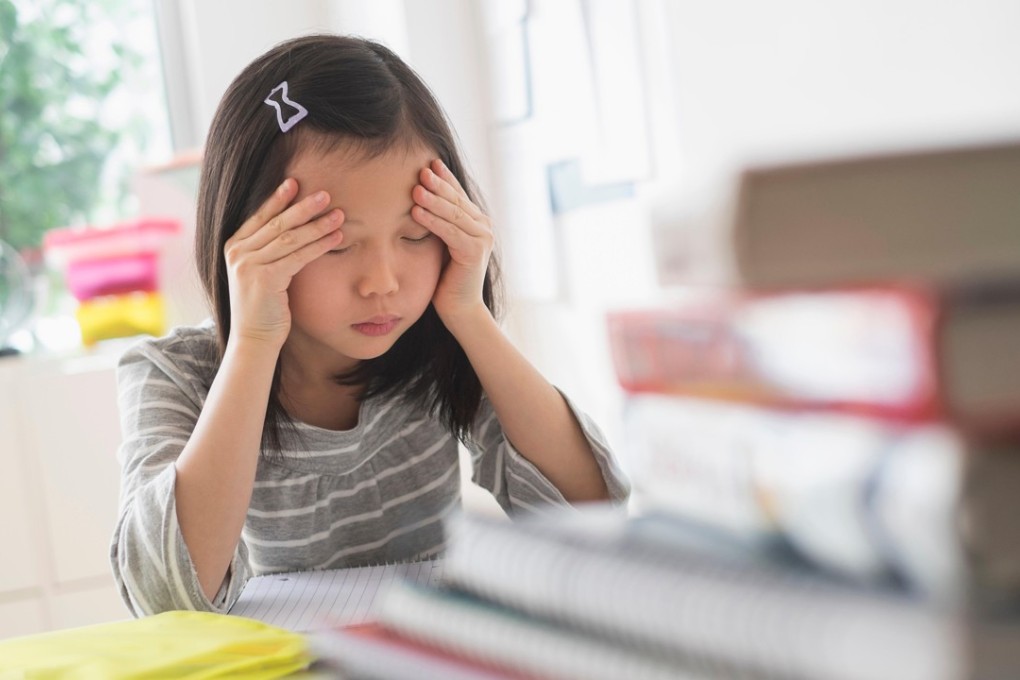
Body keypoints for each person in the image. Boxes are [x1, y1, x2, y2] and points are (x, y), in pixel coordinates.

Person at [111, 34, 629, 616]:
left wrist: (469, 314)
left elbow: (593, 512)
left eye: (414, 236)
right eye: (335, 245)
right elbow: (162, 597)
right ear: (249, 241)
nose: (382, 282)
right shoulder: (174, 375)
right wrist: (255, 341)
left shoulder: (435, 340)